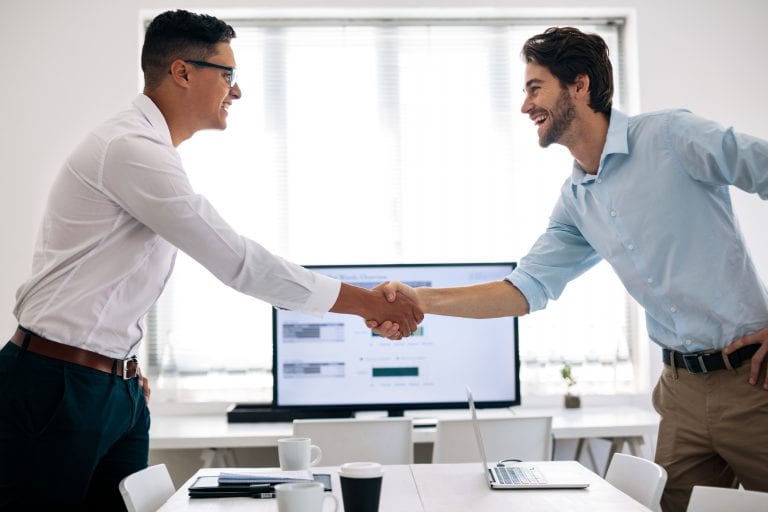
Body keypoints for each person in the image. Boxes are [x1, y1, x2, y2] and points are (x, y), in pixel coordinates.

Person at [0, 10, 421, 511]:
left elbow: (110, 284)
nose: (236, 91)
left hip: (111, 385)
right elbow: (235, 260)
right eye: (228, 75)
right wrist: (365, 304)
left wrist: (120, 365)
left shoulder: (151, 151)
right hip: (57, 385)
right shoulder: (130, 149)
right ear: (182, 72)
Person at [370, 26, 768, 512]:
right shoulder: (578, 200)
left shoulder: (671, 136)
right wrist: (422, 300)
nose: (525, 107)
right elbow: (525, 288)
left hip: (752, 382)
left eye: (535, 88)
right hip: (680, 391)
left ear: (579, 85)